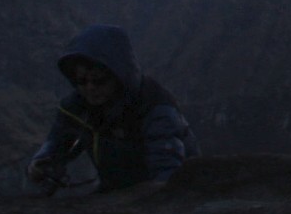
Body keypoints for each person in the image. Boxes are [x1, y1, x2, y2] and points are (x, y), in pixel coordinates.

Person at [26, 24, 194, 193]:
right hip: (118, 191)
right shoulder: (77, 106)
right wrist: (41, 163)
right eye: (82, 81)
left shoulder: (155, 108)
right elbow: (57, 140)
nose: (90, 88)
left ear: (119, 76)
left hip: (169, 193)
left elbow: (167, 174)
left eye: (99, 80)